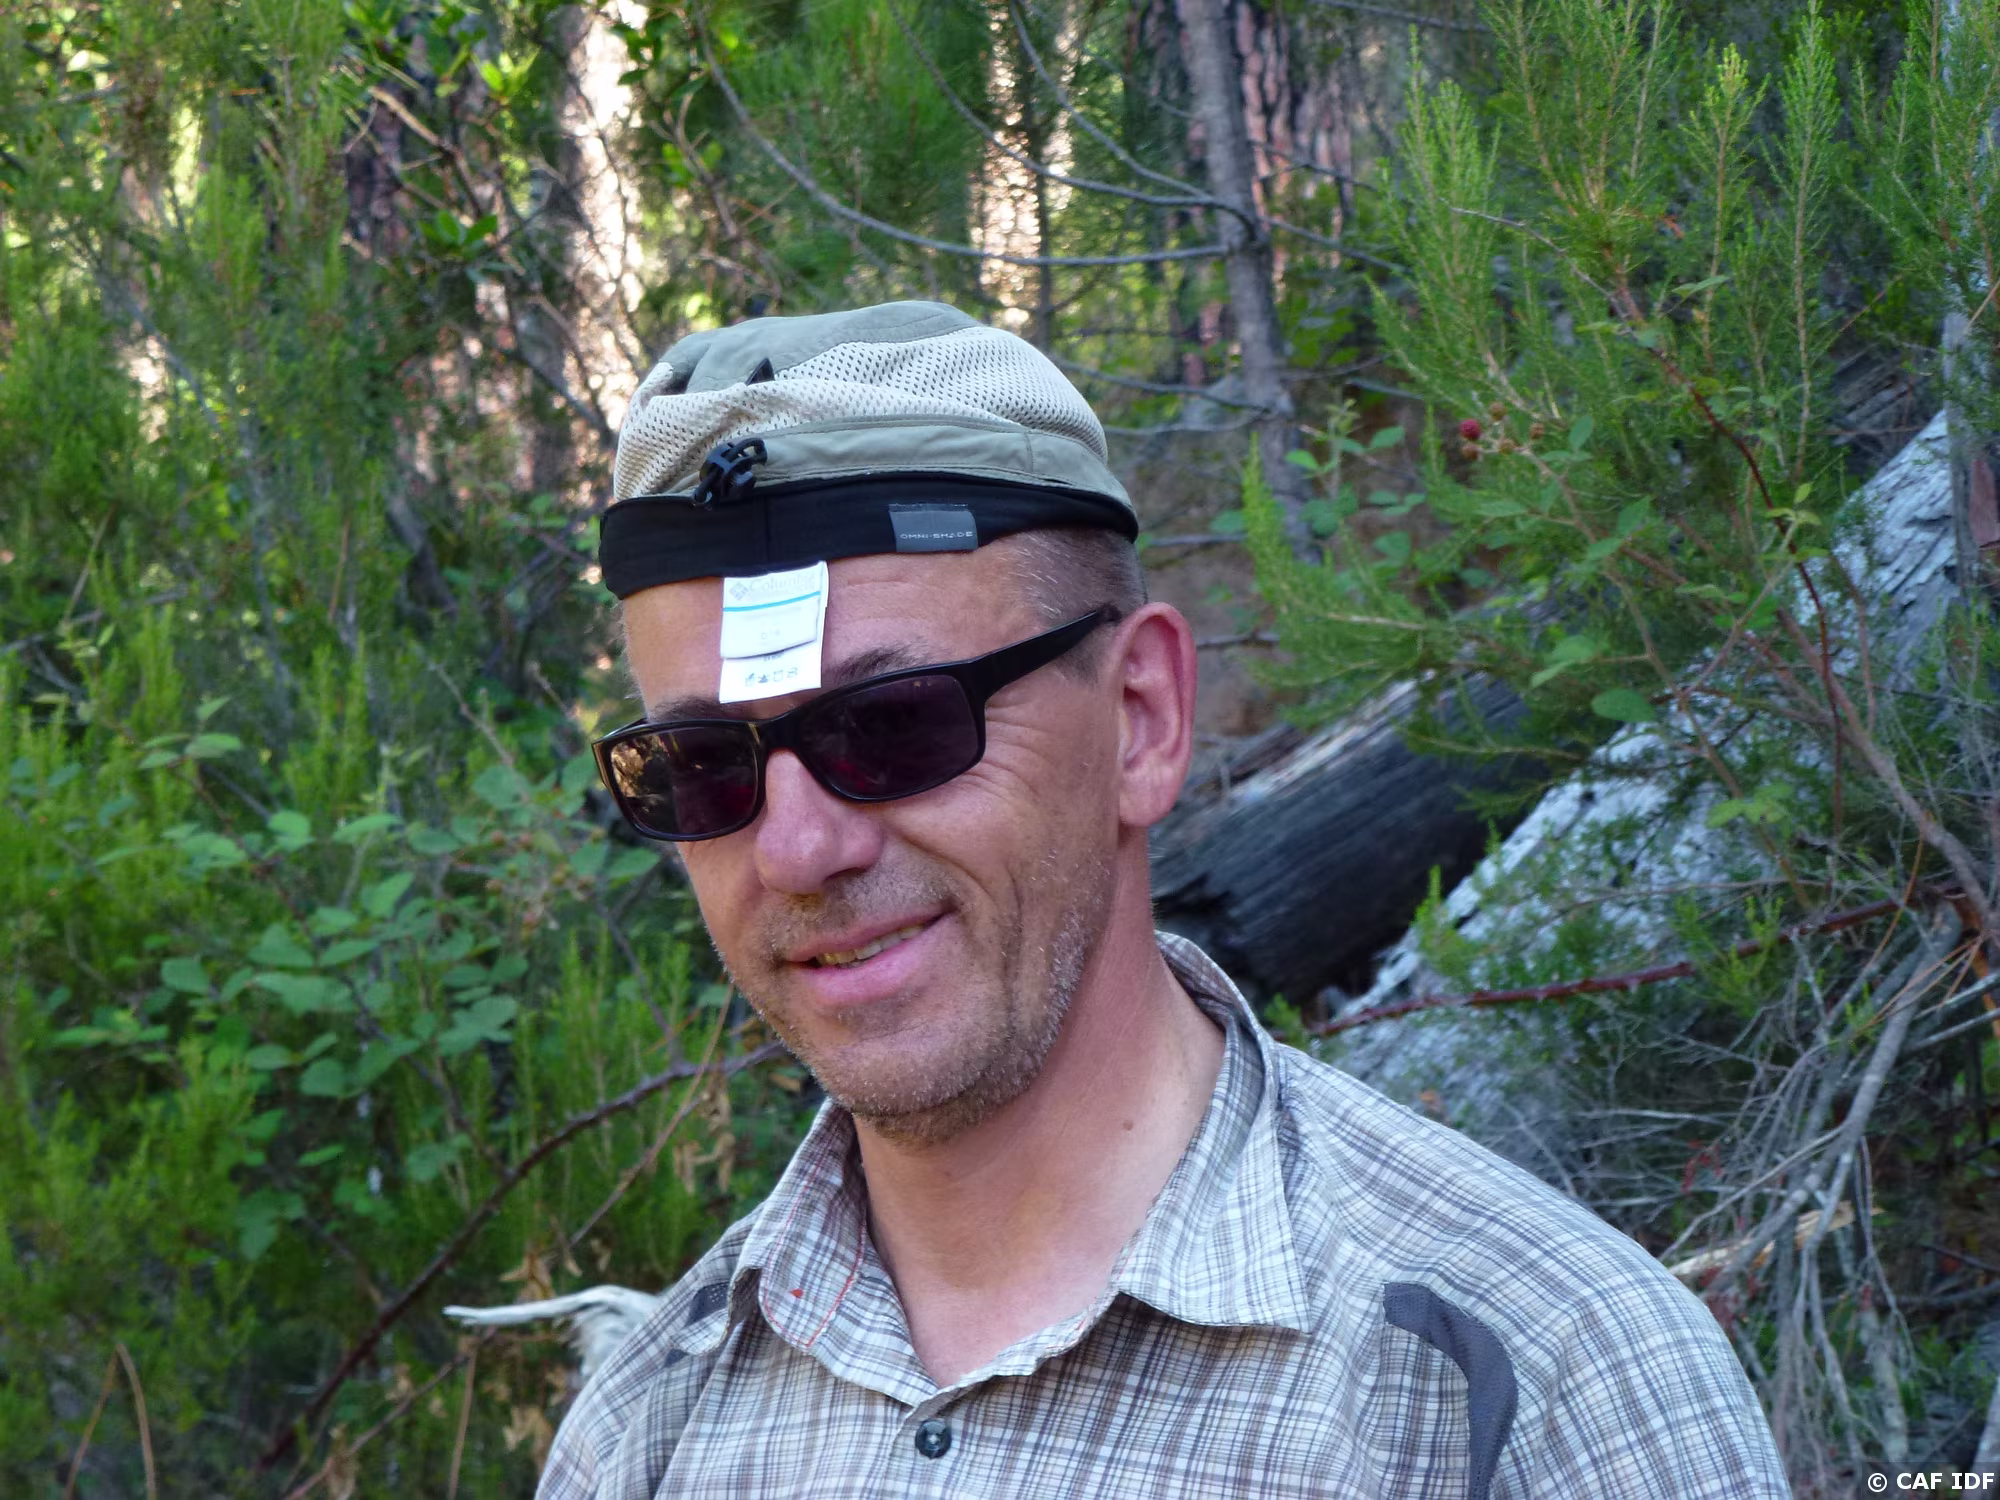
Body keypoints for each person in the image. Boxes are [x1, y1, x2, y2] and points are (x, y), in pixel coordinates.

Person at [538, 301, 1787, 1498]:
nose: (797, 850)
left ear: (1140, 720)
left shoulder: (1543, 1389)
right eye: (698, 768)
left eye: (893, 725)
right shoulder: (644, 1431)